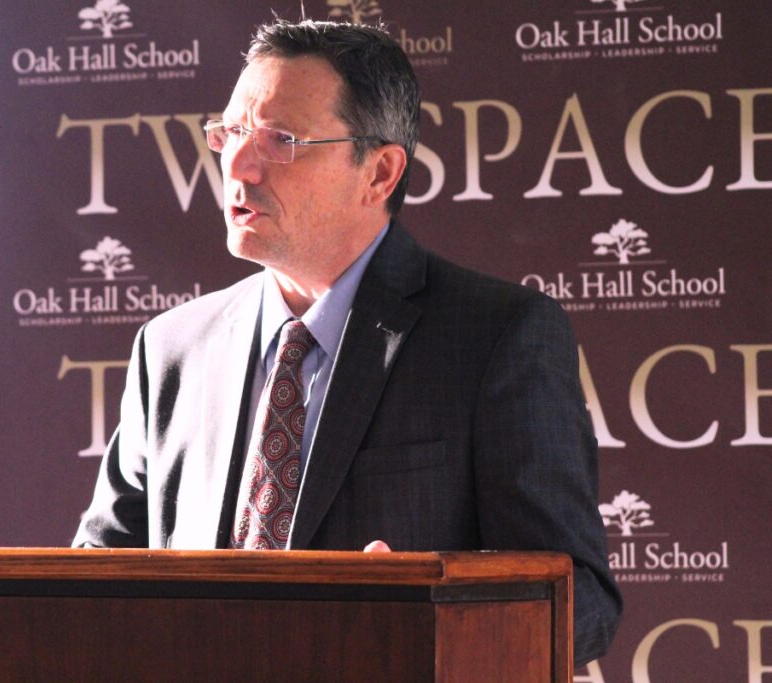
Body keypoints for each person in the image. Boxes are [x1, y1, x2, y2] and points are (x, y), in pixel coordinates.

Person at [73, 19, 621, 665]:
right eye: (233, 132)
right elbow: (94, 579)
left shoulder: (496, 334)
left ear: (380, 172)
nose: (239, 165)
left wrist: (427, 609)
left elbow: (578, 602)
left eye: (281, 140)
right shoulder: (172, 347)